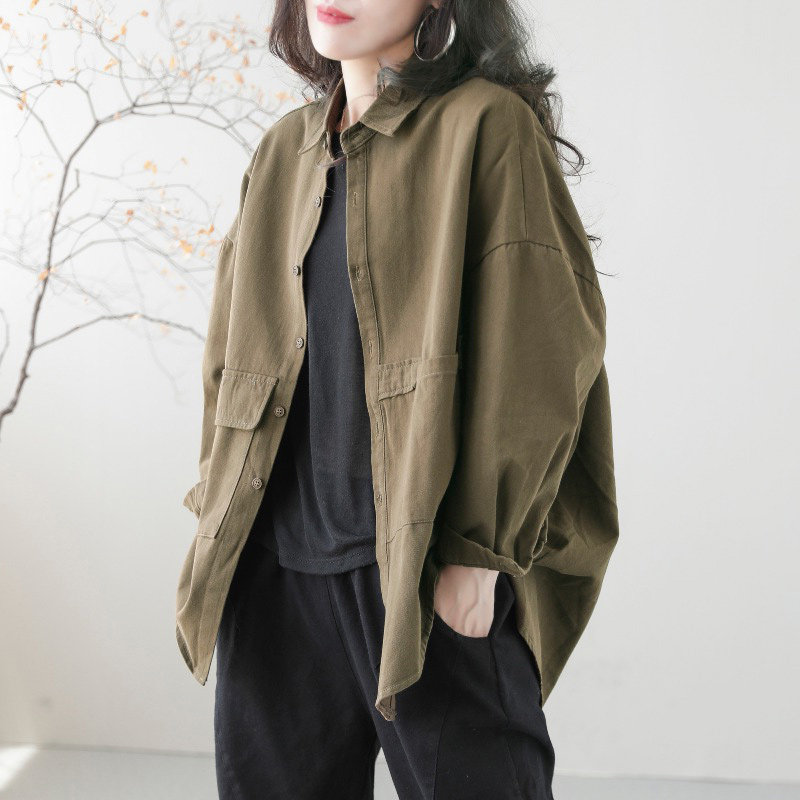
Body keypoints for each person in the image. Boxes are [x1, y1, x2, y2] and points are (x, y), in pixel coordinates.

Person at [174, 0, 620, 797]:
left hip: (423, 568)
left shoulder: (485, 128)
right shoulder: (283, 151)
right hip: (274, 577)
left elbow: (543, 348)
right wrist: (217, 511)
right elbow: (231, 357)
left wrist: (476, 556)